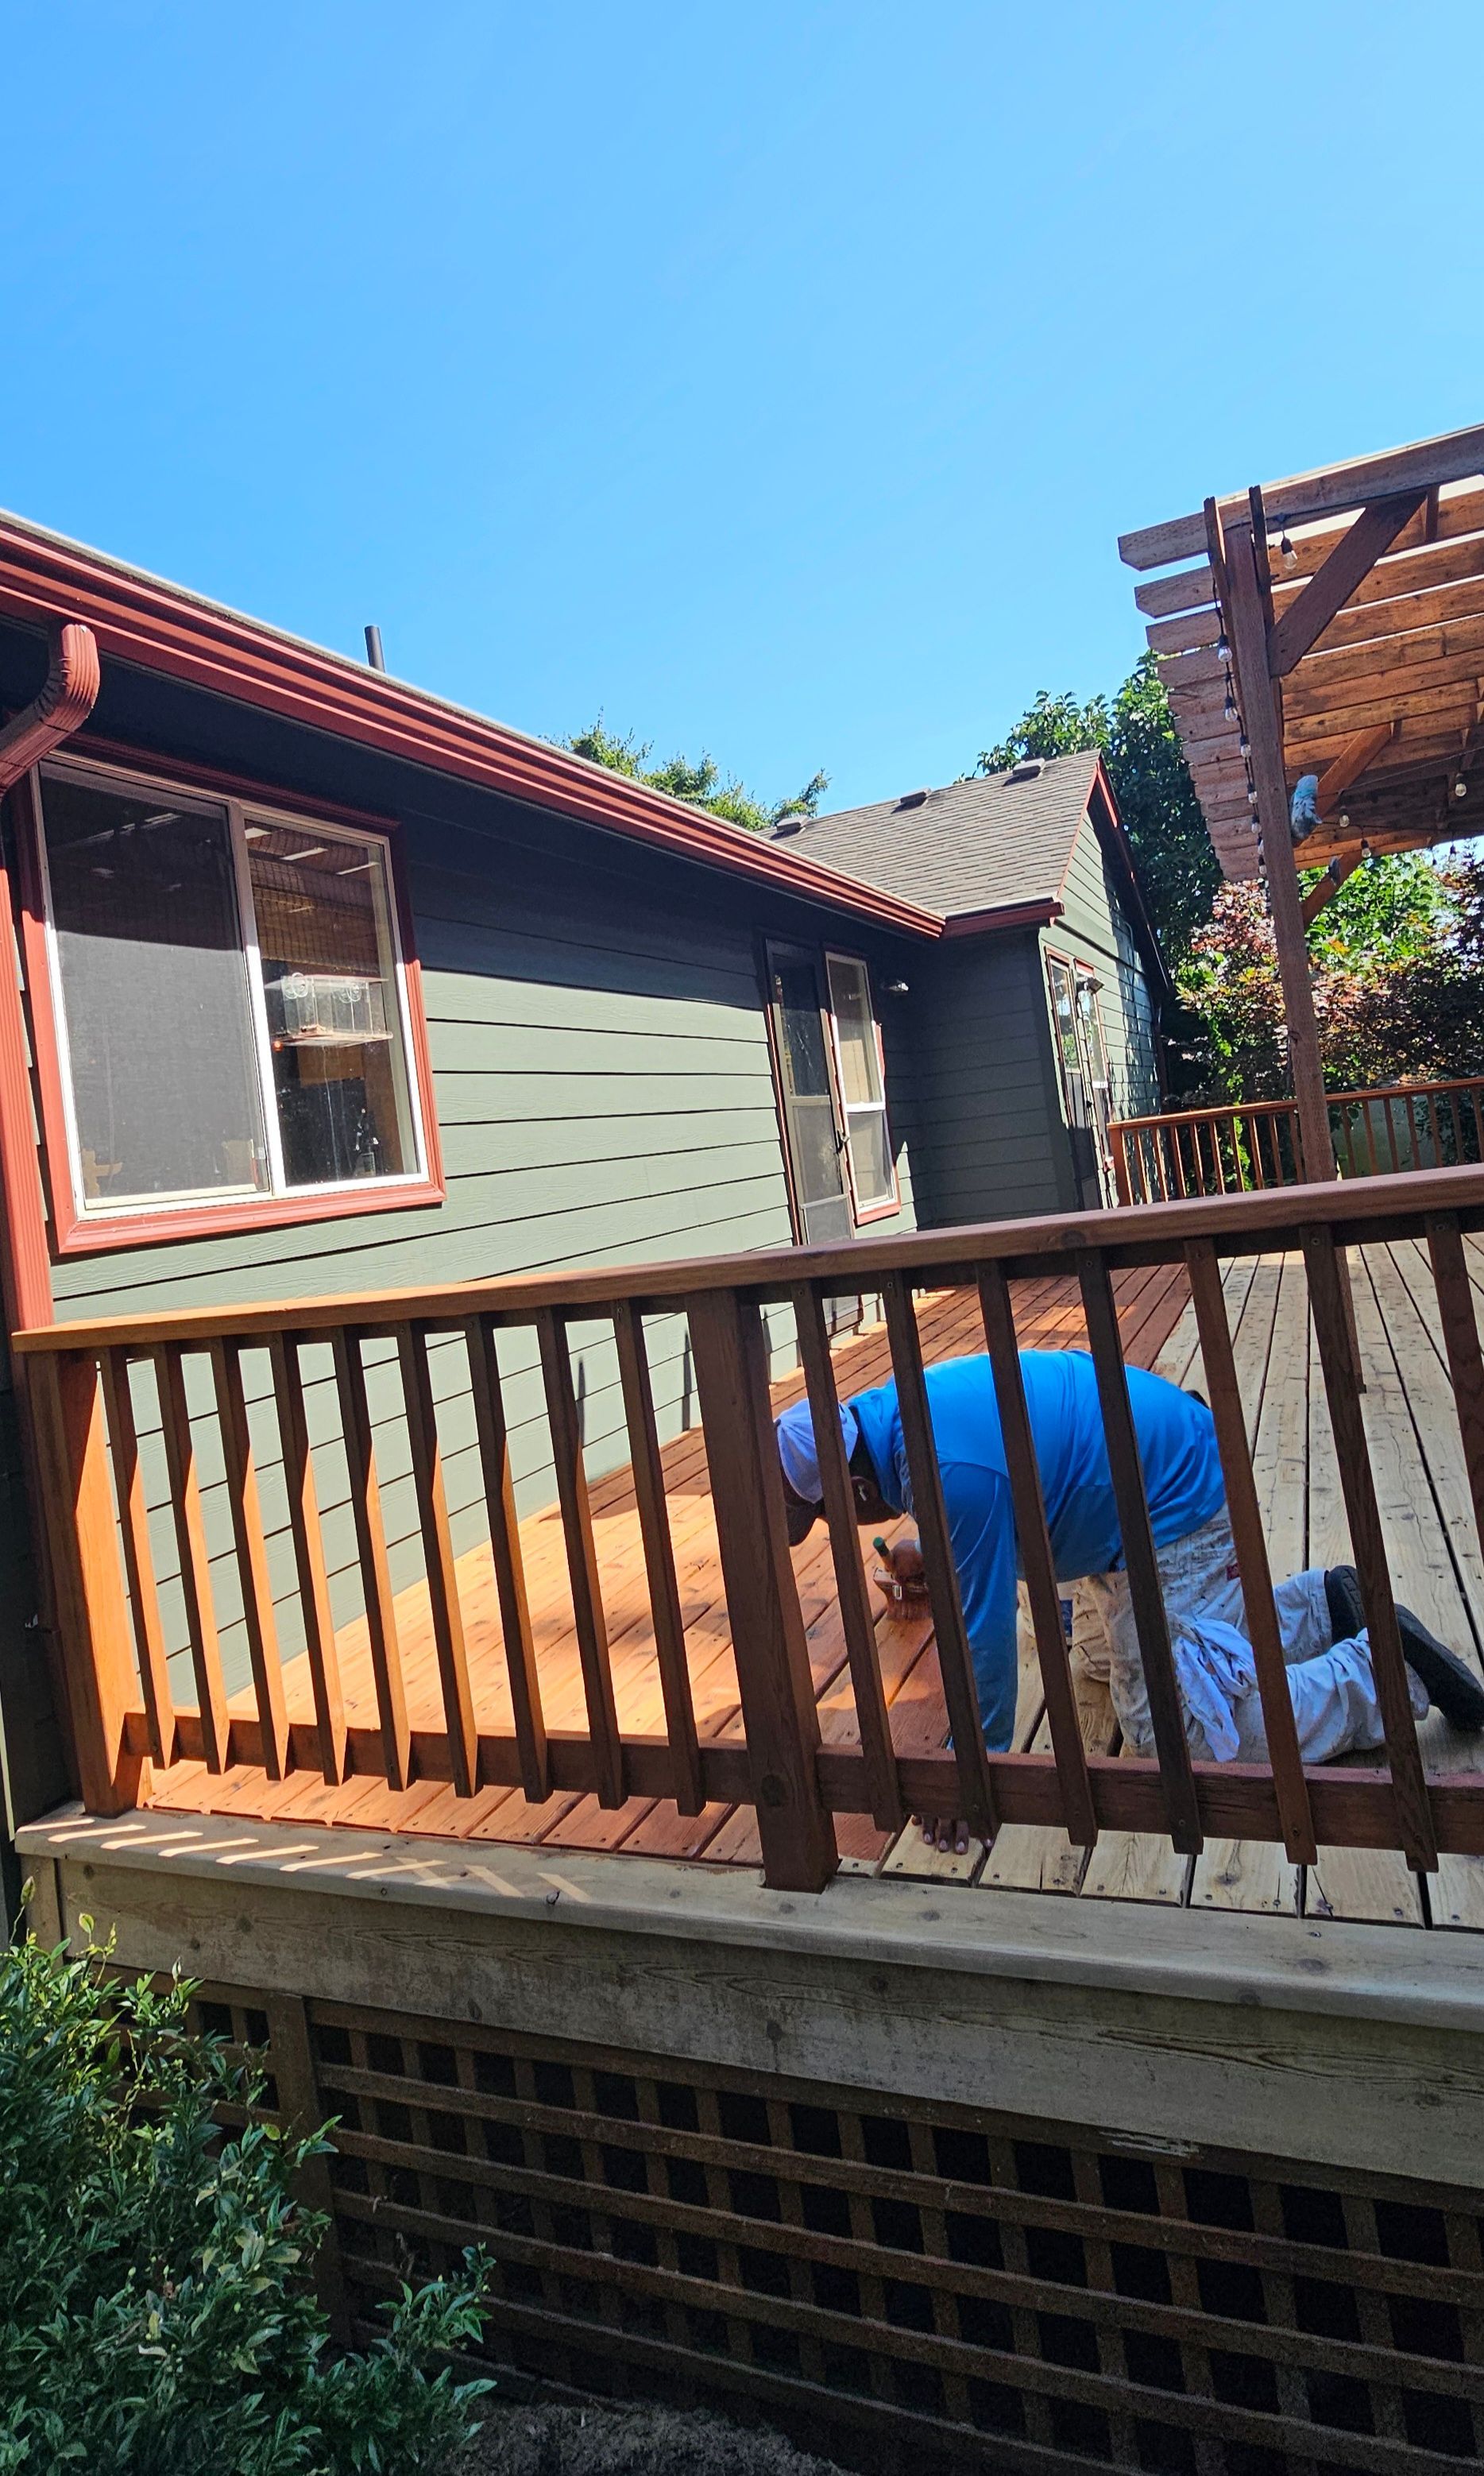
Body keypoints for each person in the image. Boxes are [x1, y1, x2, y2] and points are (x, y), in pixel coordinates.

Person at [775, 1348, 1484, 1853]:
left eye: (832, 1514)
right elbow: (996, 1495)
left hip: (1170, 1506)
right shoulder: (894, 1416)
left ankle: (1378, 1668)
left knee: (1174, 1733)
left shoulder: (945, 1471)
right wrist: (939, 1554)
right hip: (1127, 1490)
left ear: (856, 1487)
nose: (846, 1525)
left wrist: (976, 1769)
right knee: (1100, 1665)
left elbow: (981, 1634)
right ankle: (1326, 1605)